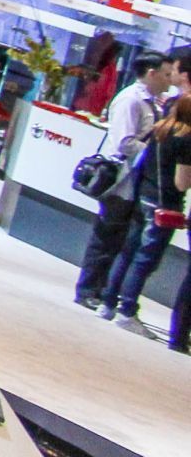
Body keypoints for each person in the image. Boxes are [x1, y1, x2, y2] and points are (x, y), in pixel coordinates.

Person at [79, 52, 181, 308]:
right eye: (166, 74)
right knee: (106, 235)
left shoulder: (152, 102)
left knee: (119, 238)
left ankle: (100, 289)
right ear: (151, 73)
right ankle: (88, 289)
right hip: (120, 179)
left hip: (134, 180)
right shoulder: (131, 101)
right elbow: (124, 143)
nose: (169, 80)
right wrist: (157, 150)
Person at [98, 92, 191, 336]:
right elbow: (182, 183)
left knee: (129, 251)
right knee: (146, 259)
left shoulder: (160, 129)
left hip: (144, 196)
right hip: (165, 204)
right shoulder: (186, 138)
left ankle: (108, 302)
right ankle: (127, 310)